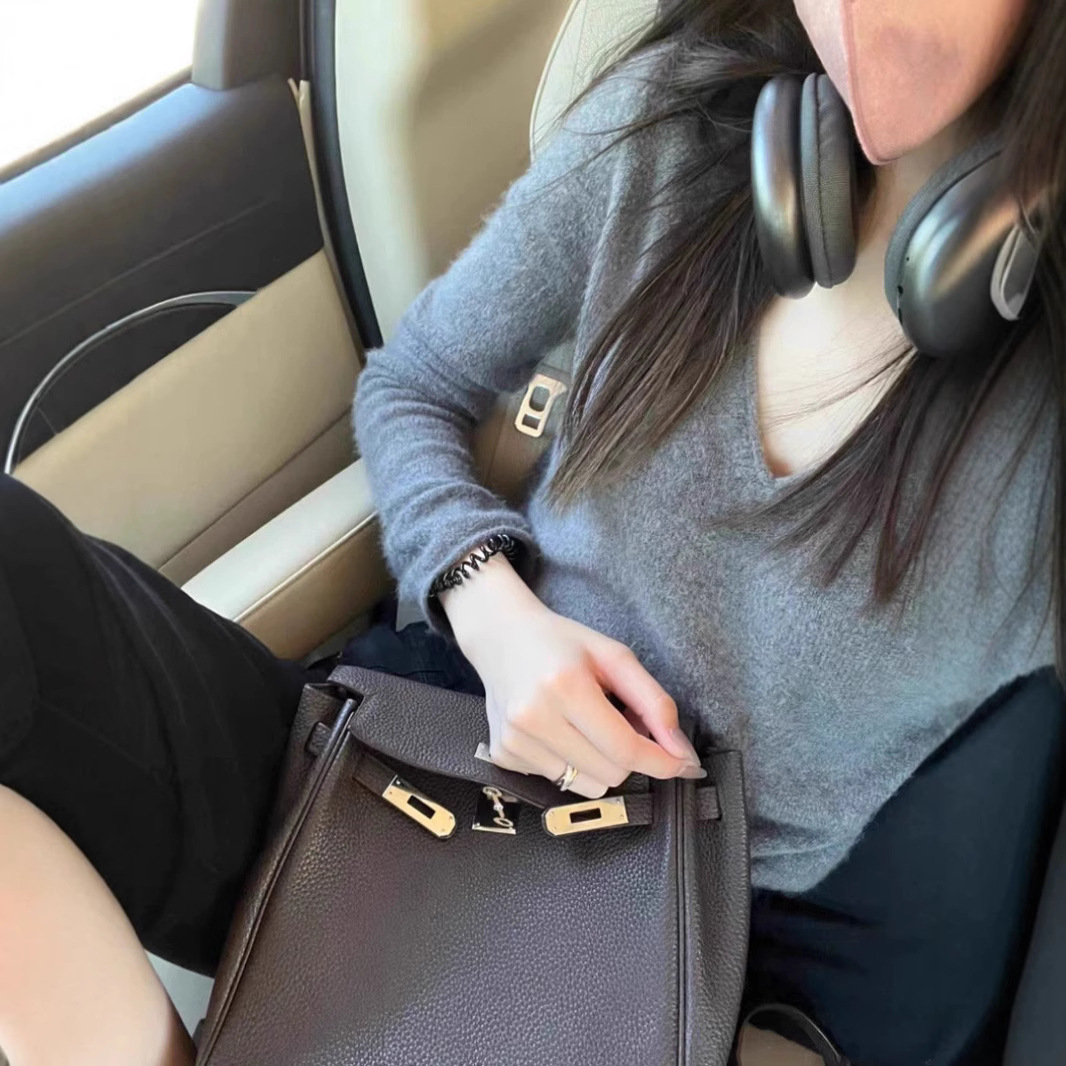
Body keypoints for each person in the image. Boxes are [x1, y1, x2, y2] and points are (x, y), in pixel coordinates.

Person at [1, 1, 1064, 1064]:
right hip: (441, 750)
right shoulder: (670, 123)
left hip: (721, 943)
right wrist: (492, 609)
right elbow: (414, 384)